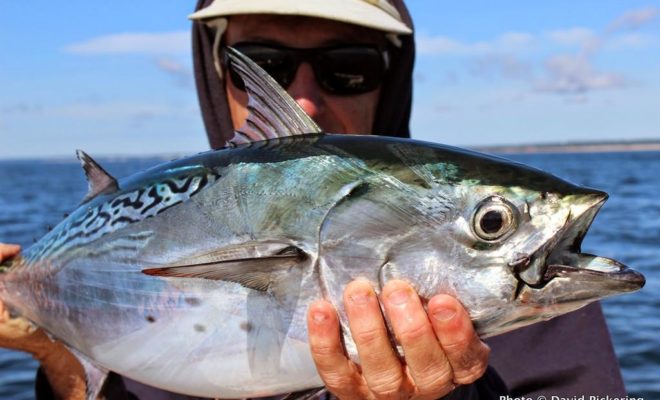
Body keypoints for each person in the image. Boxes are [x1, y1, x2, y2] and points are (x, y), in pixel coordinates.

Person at [0, 0, 628, 398]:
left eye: (348, 67)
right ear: (217, 75)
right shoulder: (127, 239)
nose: (301, 99)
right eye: (265, 61)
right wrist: (51, 345)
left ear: (395, 77)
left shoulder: (534, 293)